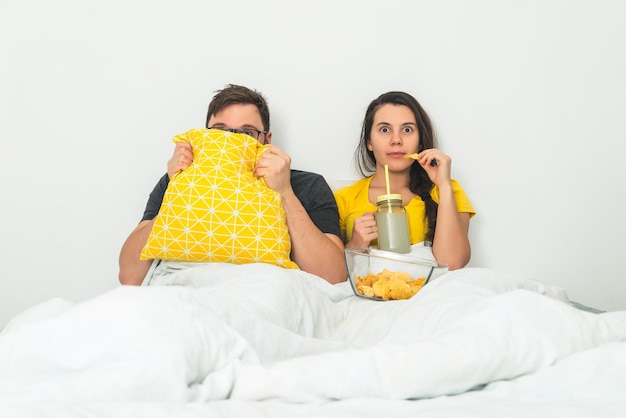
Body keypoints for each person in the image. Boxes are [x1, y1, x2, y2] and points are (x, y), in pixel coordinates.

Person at [119, 84, 346, 285]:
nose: (231, 141)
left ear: (266, 140)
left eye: (246, 133)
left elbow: (333, 276)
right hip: (180, 293)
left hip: (263, 290)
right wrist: (177, 187)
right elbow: (130, 275)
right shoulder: (177, 178)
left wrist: (284, 191)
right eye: (220, 131)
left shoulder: (307, 184)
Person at [334, 91, 475, 270]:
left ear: (420, 142)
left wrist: (444, 186)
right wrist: (355, 245)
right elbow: (335, 273)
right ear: (369, 141)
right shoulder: (343, 198)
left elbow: (452, 264)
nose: (396, 140)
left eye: (407, 130)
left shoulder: (448, 189)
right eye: (385, 130)